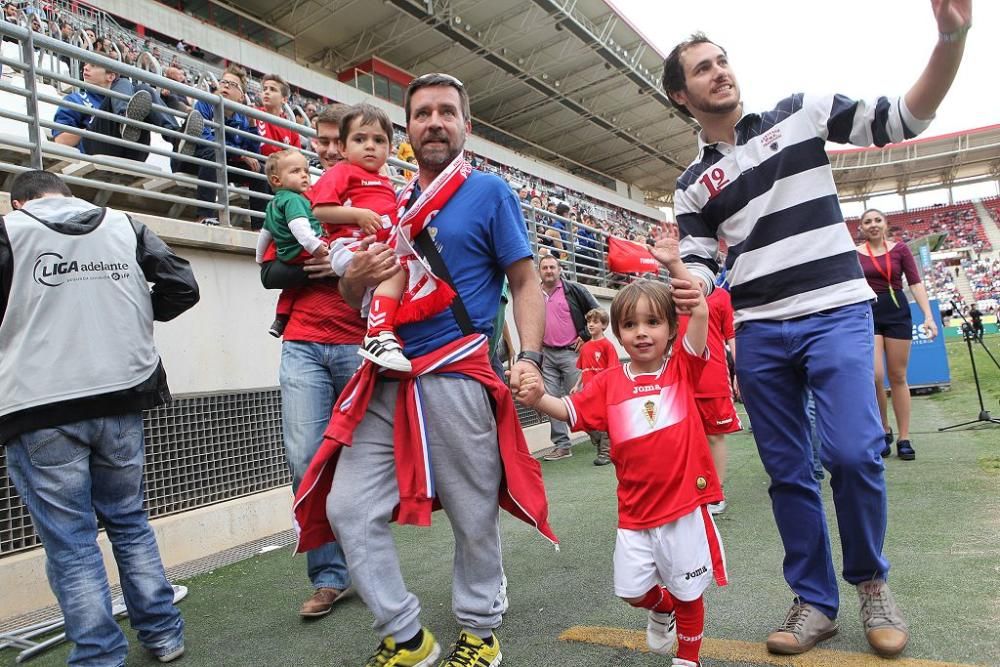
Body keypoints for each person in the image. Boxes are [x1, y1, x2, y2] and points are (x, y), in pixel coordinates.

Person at [663, 1, 970, 656]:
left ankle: (871, 582)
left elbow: (904, 117)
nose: (720, 72)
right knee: (788, 472)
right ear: (680, 94)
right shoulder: (691, 185)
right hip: (761, 332)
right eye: (703, 68)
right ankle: (815, 600)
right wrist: (688, 282)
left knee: (856, 453)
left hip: (835, 310)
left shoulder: (800, 111)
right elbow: (697, 268)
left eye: (722, 60)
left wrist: (951, 37)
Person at [292, 72, 554, 667]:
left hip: (456, 370)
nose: (434, 122)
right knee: (348, 506)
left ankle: (481, 629)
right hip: (386, 372)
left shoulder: (490, 193)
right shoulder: (396, 204)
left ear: (467, 125)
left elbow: (524, 282)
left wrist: (531, 358)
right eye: (422, 114)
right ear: (408, 131)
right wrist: (354, 277)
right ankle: (407, 635)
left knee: (472, 508)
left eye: (446, 111)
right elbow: (360, 291)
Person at [0, 170, 199, 666]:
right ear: (68, 195)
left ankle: (98, 655)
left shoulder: (10, 230)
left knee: (71, 543)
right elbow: (182, 287)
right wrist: (129, 313)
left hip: (38, 406)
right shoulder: (125, 226)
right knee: (130, 522)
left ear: (20, 202)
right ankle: (163, 635)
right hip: (120, 398)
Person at [517, 238, 726, 667]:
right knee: (632, 591)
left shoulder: (682, 367)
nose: (642, 332)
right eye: (630, 325)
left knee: (690, 591)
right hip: (634, 512)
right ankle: (661, 607)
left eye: (653, 323)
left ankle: (689, 659)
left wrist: (674, 264)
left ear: (670, 329)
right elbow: (568, 410)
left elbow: (699, 311)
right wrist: (539, 398)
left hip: (684, 507)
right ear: (618, 332)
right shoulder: (609, 382)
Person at [258, 103, 361, 618]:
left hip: (357, 343)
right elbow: (269, 274)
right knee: (304, 458)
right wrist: (315, 270)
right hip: (301, 342)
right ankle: (329, 575)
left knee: (361, 460)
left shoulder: (366, 197)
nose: (322, 150)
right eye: (317, 141)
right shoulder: (291, 201)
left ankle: (366, 563)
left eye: (330, 142)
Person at [307, 103, 427, 372]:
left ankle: (383, 339)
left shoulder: (384, 181)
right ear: (344, 148)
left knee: (403, 278)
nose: (370, 146)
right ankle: (378, 333)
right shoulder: (342, 172)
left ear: (389, 148)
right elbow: (319, 210)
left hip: (373, 247)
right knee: (395, 273)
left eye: (378, 140)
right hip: (350, 247)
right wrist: (359, 215)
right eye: (360, 139)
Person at [857, 208, 938, 461]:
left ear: (886, 224)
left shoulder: (900, 249)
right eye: (867, 221)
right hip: (868, 314)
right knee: (874, 376)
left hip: (897, 312)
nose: (873, 224)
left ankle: (904, 437)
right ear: (861, 227)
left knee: (898, 376)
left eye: (877, 220)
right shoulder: (854, 254)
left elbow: (914, 282)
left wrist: (928, 316)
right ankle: (883, 429)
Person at [52, 56, 203, 162]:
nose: (85, 67)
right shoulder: (75, 99)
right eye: (85, 64)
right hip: (98, 148)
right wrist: (91, 127)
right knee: (127, 84)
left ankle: (176, 138)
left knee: (144, 89)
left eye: (93, 65)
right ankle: (124, 119)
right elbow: (60, 140)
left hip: (133, 150)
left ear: (110, 76)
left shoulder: (130, 94)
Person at [678, 286, 740, 514]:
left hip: (713, 377)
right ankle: (691, 490)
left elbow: (732, 334)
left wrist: (739, 371)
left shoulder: (721, 296)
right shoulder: (672, 292)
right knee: (683, 438)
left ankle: (716, 492)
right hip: (678, 377)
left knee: (715, 436)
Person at [257, 148, 331, 337]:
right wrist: (315, 246)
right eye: (295, 171)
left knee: (291, 288)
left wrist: (259, 258)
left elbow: (264, 233)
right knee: (335, 261)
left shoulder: (273, 203)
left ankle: (280, 319)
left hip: (284, 255)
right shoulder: (294, 200)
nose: (304, 176)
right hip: (305, 250)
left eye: (306, 171)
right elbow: (300, 227)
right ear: (276, 180)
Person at [185, 65, 267, 227]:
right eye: (223, 82)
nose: (226, 86)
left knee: (260, 170)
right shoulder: (205, 103)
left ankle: (259, 227)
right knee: (214, 151)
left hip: (225, 164)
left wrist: (252, 125)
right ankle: (204, 216)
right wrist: (239, 154)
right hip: (196, 159)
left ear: (241, 97)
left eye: (233, 84)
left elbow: (253, 155)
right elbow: (204, 138)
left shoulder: (243, 118)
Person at [538, 253, 600, 461]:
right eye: (545, 267)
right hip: (546, 354)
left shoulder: (573, 290)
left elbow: (597, 312)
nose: (549, 271)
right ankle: (562, 445)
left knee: (582, 397)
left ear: (559, 269)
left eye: (552, 267)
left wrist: (585, 336)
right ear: (540, 271)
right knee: (550, 399)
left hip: (571, 353)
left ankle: (601, 439)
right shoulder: (534, 294)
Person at [572, 307, 619, 465]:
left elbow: (613, 370)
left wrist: (610, 389)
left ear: (604, 325)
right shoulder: (584, 347)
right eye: (589, 322)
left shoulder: (607, 346)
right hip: (587, 390)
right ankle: (599, 441)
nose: (591, 325)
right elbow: (583, 368)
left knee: (604, 419)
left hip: (603, 390)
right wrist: (577, 385)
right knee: (585, 419)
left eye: (595, 322)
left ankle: (605, 453)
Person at [256, 73, 301, 158]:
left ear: (284, 99)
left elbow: (296, 157)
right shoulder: (252, 114)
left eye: (272, 89)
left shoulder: (291, 128)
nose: (267, 92)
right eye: (265, 89)